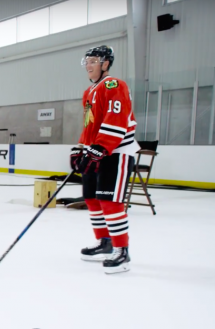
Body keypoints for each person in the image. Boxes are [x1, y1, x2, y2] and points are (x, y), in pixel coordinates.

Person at [71, 45, 139, 274]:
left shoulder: (114, 85)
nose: (88, 65)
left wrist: (101, 146)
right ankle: (105, 242)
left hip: (116, 151)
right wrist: (81, 148)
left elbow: (117, 118)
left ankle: (122, 251)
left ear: (106, 63)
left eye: (93, 61)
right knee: (91, 198)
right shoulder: (89, 92)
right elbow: (89, 125)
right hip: (97, 151)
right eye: (87, 61)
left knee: (111, 201)